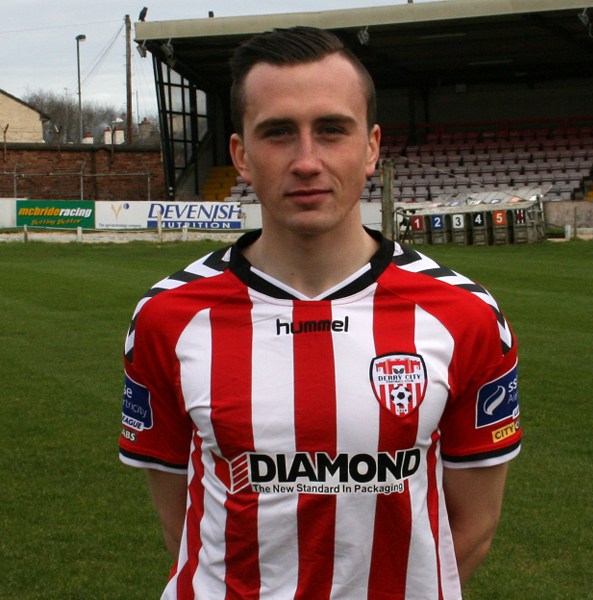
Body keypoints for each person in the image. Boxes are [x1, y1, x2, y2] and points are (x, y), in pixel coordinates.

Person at [119, 26, 521, 599]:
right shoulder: (167, 316)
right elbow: (180, 521)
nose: (307, 161)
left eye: (331, 130)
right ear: (242, 155)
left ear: (372, 147)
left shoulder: (466, 314)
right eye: (279, 133)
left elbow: (474, 527)